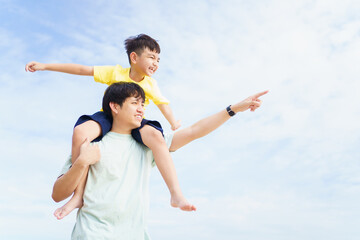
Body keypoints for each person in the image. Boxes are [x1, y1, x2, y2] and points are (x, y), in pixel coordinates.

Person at [52, 82, 268, 239]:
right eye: (135, 103)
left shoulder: (149, 144)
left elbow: (194, 131)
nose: (141, 109)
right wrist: (81, 163)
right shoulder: (92, 141)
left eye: (143, 104)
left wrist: (233, 109)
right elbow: (58, 194)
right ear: (115, 107)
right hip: (93, 234)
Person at [25, 34, 194, 219]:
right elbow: (82, 69)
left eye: (158, 60)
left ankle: (175, 194)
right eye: (151, 57)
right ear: (134, 57)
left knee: (156, 137)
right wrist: (45, 66)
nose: (156, 63)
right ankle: (78, 196)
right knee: (81, 131)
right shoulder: (115, 72)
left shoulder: (151, 84)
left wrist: (173, 122)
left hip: (134, 121)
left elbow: (163, 104)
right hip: (107, 116)